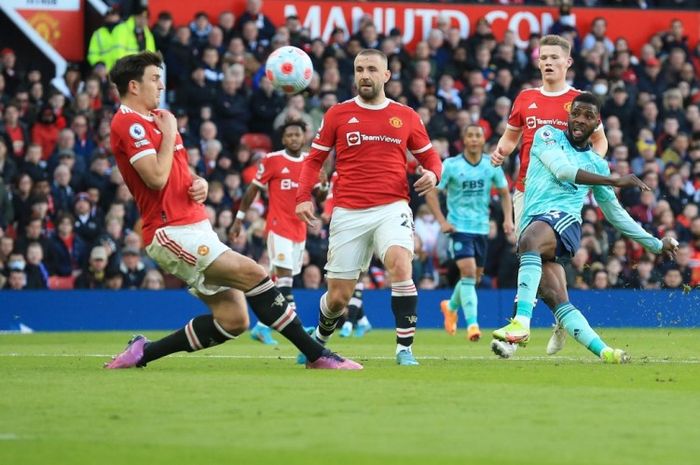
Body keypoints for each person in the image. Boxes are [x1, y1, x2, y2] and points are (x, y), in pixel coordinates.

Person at [104, 51, 361, 370]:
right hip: (169, 230)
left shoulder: (157, 118)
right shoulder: (130, 122)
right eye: (154, 79)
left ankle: (143, 352)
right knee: (255, 272)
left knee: (234, 319)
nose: (160, 85)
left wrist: (198, 183)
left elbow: (175, 172)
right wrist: (170, 132)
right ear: (133, 86)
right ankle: (317, 354)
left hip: (195, 223)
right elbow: (155, 178)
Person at [491, 93, 678, 363]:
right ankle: (607, 352)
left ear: (597, 123)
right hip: (537, 221)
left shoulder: (595, 163)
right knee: (556, 299)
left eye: (588, 116)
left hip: (564, 224)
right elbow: (563, 171)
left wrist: (656, 244)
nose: (580, 119)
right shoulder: (547, 136)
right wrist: (616, 180)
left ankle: (520, 324)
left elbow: (616, 214)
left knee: (529, 241)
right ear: (569, 115)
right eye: (576, 113)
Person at [295, 49, 442, 366]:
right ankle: (319, 340)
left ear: (386, 75)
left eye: (372, 69)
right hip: (348, 210)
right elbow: (314, 161)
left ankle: (404, 349)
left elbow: (431, 158)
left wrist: (433, 174)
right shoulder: (337, 114)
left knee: (401, 264)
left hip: (393, 206)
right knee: (338, 298)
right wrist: (302, 197)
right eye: (359, 68)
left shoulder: (406, 115)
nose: (365, 74)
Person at [491, 34, 609, 356]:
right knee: (535, 258)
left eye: (555, 58)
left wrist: (587, 172)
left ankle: (519, 331)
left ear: (568, 62)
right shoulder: (526, 98)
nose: (548, 63)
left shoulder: (579, 102)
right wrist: (500, 152)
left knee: (536, 254)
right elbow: (512, 136)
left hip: (562, 192)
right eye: (543, 57)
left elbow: (600, 144)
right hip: (526, 189)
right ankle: (559, 320)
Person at [425, 124, 513, 342]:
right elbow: (431, 194)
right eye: (470, 135)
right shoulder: (451, 165)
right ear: (464, 140)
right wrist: (443, 222)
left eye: (478, 136)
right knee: (468, 272)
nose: (474, 139)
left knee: (473, 278)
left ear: (483, 140)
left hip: (481, 229)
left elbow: (504, 193)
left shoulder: (491, 164)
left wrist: (508, 219)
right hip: (458, 228)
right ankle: (473, 325)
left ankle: (451, 306)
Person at [232, 120, 309, 346]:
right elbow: (253, 189)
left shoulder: (311, 162)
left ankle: (262, 327)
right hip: (278, 227)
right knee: (285, 278)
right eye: (289, 135)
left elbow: (318, 197)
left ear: (304, 138)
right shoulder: (273, 160)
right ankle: (300, 331)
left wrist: (323, 187)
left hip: (299, 229)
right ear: (283, 139)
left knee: (281, 280)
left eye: (297, 135)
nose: (294, 138)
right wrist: (239, 220)